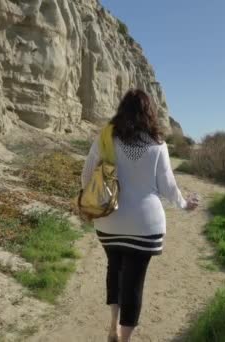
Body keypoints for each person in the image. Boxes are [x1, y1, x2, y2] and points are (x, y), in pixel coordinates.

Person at [81, 89, 198, 342]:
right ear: (149, 113)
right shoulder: (158, 145)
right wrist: (184, 204)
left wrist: (92, 201)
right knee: (134, 282)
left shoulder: (105, 138)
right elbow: (167, 186)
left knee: (115, 269)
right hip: (146, 227)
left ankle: (113, 327)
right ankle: (124, 339)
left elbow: (87, 176)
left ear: (122, 109)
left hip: (109, 221)